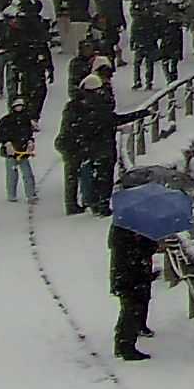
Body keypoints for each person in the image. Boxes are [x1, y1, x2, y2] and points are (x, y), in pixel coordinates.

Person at [60, 59, 120, 217]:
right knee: (98, 176)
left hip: (79, 144)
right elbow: (111, 119)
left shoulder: (75, 106)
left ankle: (83, 202)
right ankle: (96, 203)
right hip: (94, 145)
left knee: (78, 174)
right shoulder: (97, 105)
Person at [107, 213, 158, 360]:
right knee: (132, 308)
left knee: (131, 307)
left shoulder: (123, 223)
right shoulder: (133, 228)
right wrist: (152, 243)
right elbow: (141, 249)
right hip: (132, 275)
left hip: (127, 273)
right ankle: (126, 346)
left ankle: (124, 342)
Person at [0, 96, 42, 209]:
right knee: (12, 174)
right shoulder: (6, 121)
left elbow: (29, 134)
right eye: (17, 106)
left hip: (23, 151)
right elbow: (0, 135)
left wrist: (30, 142)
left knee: (27, 174)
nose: (19, 108)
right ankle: (11, 194)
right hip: (11, 152)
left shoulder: (26, 120)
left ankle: (30, 194)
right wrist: (7, 144)